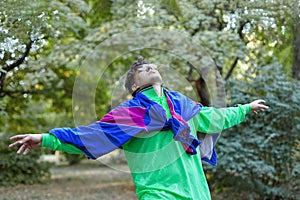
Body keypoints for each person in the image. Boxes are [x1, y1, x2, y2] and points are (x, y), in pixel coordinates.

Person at [9, 57, 268, 200]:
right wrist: (46, 139)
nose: (149, 67)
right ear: (134, 87)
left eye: (151, 65)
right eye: (141, 69)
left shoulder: (184, 107)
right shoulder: (129, 114)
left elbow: (217, 116)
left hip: (198, 193)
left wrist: (246, 108)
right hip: (158, 194)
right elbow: (90, 136)